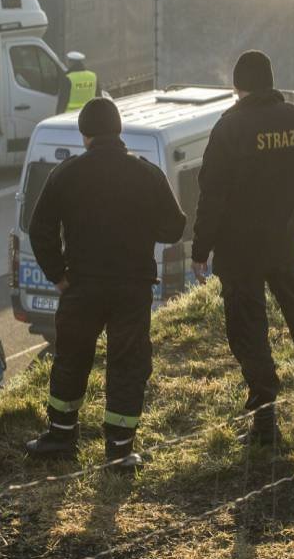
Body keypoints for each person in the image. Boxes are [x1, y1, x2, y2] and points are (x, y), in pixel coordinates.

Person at [190, 50, 294, 447]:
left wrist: (201, 249)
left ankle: (266, 422)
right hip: (283, 241)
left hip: (239, 251)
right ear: (270, 81)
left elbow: (212, 194)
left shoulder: (229, 128)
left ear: (238, 87)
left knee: (250, 332)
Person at [25, 97, 187, 467]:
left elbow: (40, 229)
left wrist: (58, 276)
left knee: (71, 358)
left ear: (85, 136)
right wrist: (146, 229)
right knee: (128, 364)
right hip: (132, 288)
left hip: (81, 287)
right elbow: (175, 227)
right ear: (119, 131)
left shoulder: (66, 174)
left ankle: (61, 438)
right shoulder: (146, 174)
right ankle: (120, 450)